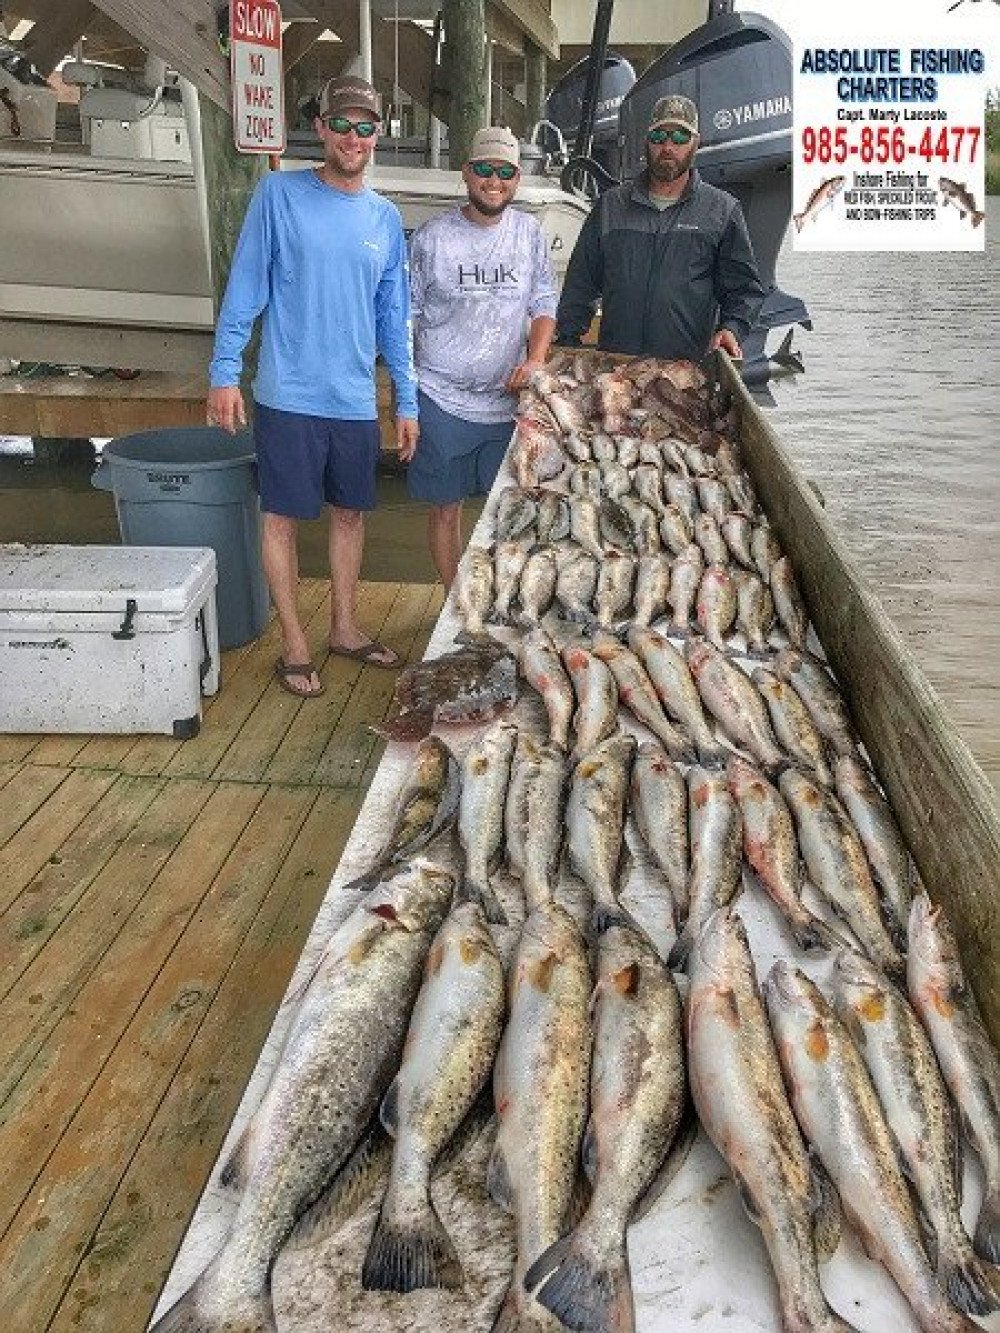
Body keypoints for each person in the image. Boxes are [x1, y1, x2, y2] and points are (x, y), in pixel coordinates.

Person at [206, 74, 418, 698]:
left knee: (350, 516)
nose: (353, 137)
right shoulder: (278, 193)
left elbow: (394, 320)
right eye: (342, 124)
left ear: (377, 136)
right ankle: (295, 644)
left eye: (366, 127)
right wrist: (224, 372)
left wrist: (405, 399)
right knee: (281, 519)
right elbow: (245, 288)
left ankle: (345, 628)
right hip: (287, 395)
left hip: (352, 399)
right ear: (321, 128)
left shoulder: (385, 217)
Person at [407, 125, 558, 588]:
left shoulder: (529, 232)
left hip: (508, 405)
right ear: (468, 173)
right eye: (486, 170)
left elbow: (544, 303)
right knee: (445, 508)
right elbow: (405, 319)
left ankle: (500, 597)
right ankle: (458, 604)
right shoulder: (433, 238)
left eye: (506, 172)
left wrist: (534, 361)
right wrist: (405, 401)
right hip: (441, 397)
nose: (495, 181)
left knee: (512, 507)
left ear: (516, 178)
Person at [555, 94, 765, 363]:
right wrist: (568, 339)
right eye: (659, 137)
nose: (668, 146)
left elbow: (744, 290)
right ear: (646, 142)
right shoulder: (610, 206)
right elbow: (580, 284)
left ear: (695, 143)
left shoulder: (722, 211)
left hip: (687, 372)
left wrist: (731, 328)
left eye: (679, 137)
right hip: (617, 372)